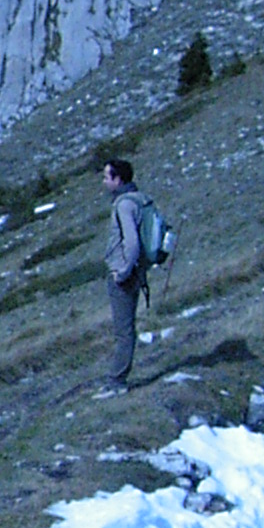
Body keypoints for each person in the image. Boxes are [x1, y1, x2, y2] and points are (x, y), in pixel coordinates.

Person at [100, 157, 146, 395]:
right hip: (135, 271)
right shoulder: (138, 199)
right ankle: (117, 377)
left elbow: (132, 242)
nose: (105, 181)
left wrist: (123, 271)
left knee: (124, 330)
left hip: (124, 273)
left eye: (107, 177)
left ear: (118, 179)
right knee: (126, 328)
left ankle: (117, 381)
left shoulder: (124, 205)